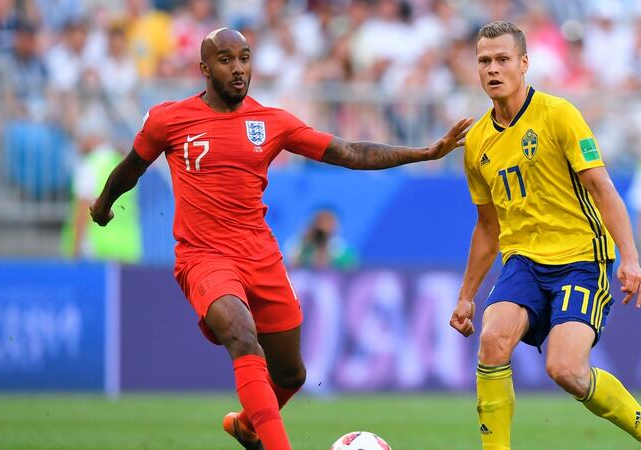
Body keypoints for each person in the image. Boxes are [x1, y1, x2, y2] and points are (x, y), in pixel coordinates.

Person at [89, 28, 471, 450]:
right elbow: (132, 167)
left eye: (245, 58)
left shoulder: (272, 122)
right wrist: (103, 204)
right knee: (241, 333)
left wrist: (424, 153)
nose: (238, 69)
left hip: (260, 256)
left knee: (292, 375)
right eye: (226, 59)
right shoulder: (169, 119)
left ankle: (247, 425)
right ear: (203, 69)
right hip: (203, 256)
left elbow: (349, 152)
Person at [449, 22, 641, 450]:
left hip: (580, 257)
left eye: (503, 59)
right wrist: (467, 294)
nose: (493, 69)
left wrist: (630, 259)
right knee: (491, 338)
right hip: (522, 259)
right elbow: (488, 227)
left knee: (566, 370)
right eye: (484, 61)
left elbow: (603, 189)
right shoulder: (477, 141)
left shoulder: (558, 114)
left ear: (524, 64)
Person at [62, 105, 142, 263]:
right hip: (128, 249)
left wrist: (74, 254)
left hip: (97, 252)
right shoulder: (122, 163)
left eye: (80, 137)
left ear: (91, 137)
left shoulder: (89, 166)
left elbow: (82, 212)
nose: (78, 143)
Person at [286, 207, 358, 270]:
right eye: (320, 222)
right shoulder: (298, 246)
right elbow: (290, 269)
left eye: (329, 222)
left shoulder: (343, 251)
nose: (324, 227)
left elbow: (353, 273)